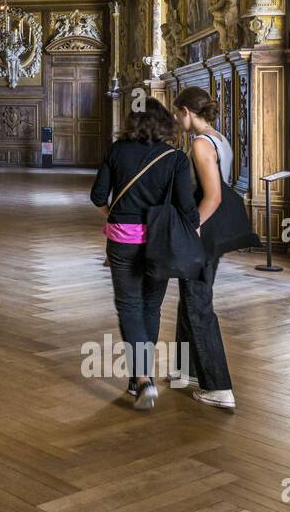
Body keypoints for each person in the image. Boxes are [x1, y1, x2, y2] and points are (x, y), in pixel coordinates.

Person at [90, 98, 199, 411]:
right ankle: (142, 375)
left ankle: (141, 378)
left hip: (122, 241)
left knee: (129, 307)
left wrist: (115, 215)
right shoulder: (175, 158)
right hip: (160, 242)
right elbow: (186, 208)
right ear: (165, 123)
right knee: (151, 306)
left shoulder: (117, 151)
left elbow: (97, 195)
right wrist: (192, 239)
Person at [172, 86, 237, 411]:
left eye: (176, 113)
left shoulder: (200, 143)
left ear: (186, 111)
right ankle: (188, 371)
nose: (175, 119)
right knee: (190, 299)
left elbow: (213, 196)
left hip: (202, 231)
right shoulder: (220, 139)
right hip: (213, 231)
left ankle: (219, 385)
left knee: (198, 304)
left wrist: (192, 228)